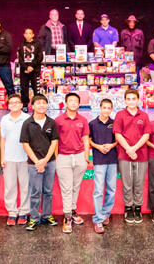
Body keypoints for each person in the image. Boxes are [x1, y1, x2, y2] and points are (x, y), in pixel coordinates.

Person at [20, 95, 59, 231]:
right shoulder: (27, 123)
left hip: (50, 162)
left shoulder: (51, 123)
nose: (41, 105)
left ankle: (47, 215)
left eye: (44, 103)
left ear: (47, 106)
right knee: (35, 191)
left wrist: (46, 160)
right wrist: (37, 162)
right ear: (33, 106)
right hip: (33, 164)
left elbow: (54, 142)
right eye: (38, 103)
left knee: (48, 191)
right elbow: (25, 144)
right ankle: (34, 218)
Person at [114, 89, 150, 223]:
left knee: (139, 183)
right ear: (125, 101)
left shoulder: (144, 116)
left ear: (138, 100)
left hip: (141, 155)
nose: (131, 101)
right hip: (124, 154)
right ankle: (129, 207)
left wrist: (134, 148)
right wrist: (129, 149)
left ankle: (138, 208)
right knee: (127, 183)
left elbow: (146, 135)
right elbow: (117, 134)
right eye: (128, 99)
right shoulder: (120, 115)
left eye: (133, 99)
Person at [55, 93, 90, 233]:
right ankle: (67, 216)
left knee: (76, 186)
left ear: (79, 104)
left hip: (79, 156)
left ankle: (73, 210)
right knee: (66, 188)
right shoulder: (58, 120)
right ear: (66, 103)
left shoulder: (83, 120)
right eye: (71, 101)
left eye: (76, 101)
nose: (74, 103)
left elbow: (86, 139)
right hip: (63, 157)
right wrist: (57, 157)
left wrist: (86, 158)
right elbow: (55, 141)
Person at [0, 94, 31, 226]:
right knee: (10, 187)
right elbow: (3, 139)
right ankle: (12, 212)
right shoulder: (4, 119)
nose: (14, 105)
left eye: (17, 102)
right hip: (9, 158)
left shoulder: (27, 119)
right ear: (8, 105)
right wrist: (3, 157)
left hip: (24, 158)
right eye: (11, 103)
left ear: (21, 104)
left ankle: (24, 211)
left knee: (25, 186)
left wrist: (30, 157)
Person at [89, 99, 118, 234]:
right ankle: (98, 219)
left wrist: (111, 145)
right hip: (99, 160)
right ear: (99, 108)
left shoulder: (114, 123)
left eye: (109, 108)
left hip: (112, 159)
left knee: (111, 189)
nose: (106, 110)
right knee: (98, 190)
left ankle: (106, 213)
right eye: (104, 107)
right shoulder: (93, 124)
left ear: (111, 109)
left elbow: (118, 139)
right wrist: (98, 147)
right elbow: (88, 139)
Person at [17, 28, 43, 113]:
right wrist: (26, 68)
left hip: (35, 70)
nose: (28, 35)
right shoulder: (21, 45)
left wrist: (32, 67)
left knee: (36, 88)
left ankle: (37, 104)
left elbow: (39, 57)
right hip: (24, 71)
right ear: (24, 35)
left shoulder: (37, 44)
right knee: (24, 88)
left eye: (30, 33)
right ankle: (25, 105)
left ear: (33, 35)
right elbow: (20, 58)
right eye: (26, 33)